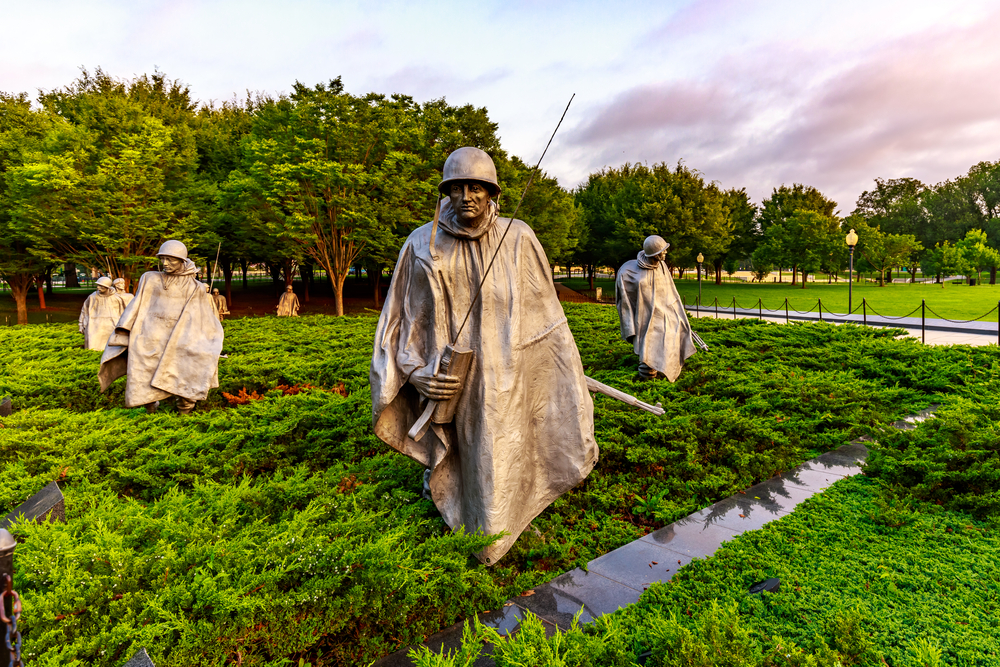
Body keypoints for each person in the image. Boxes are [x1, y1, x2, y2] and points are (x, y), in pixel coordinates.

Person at [370, 147, 598, 565]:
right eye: (457, 188)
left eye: (476, 186)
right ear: (446, 192)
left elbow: (549, 319)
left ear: (493, 192)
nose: (467, 196)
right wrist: (415, 373)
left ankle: (507, 527)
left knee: (510, 450)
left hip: (511, 376)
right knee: (468, 455)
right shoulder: (421, 244)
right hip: (454, 381)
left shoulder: (520, 238)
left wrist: (562, 375)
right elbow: (400, 321)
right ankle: (469, 526)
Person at [98, 240, 224, 415]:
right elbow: (136, 305)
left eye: (171, 260)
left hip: (179, 338)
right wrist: (124, 331)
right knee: (143, 375)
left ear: (182, 261)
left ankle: (184, 412)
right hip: (149, 337)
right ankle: (150, 409)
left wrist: (207, 342)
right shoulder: (150, 279)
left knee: (184, 372)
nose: (165, 263)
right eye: (163, 259)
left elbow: (204, 319)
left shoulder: (196, 288)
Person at [615, 235, 696, 380]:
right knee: (647, 349)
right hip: (643, 316)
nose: (665, 253)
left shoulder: (662, 267)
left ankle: (661, 371)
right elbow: (626, 301)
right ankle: (646, 379)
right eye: (662, 250)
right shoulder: (629, 272)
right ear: (654, 253)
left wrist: (678, 314)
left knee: (674, 335)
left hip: (663, 313)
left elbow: (671, 292)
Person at [78, 276, 128, 350]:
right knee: (93, 347)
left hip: (112, 327)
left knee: (111, 349)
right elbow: (84, 311)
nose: (98, 288)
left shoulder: (117, 299)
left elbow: (123, 314)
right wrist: (81, 324)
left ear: (107, 287)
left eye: (101, 286)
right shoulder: (92, 297)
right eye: (98, 285)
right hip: (94, 326)